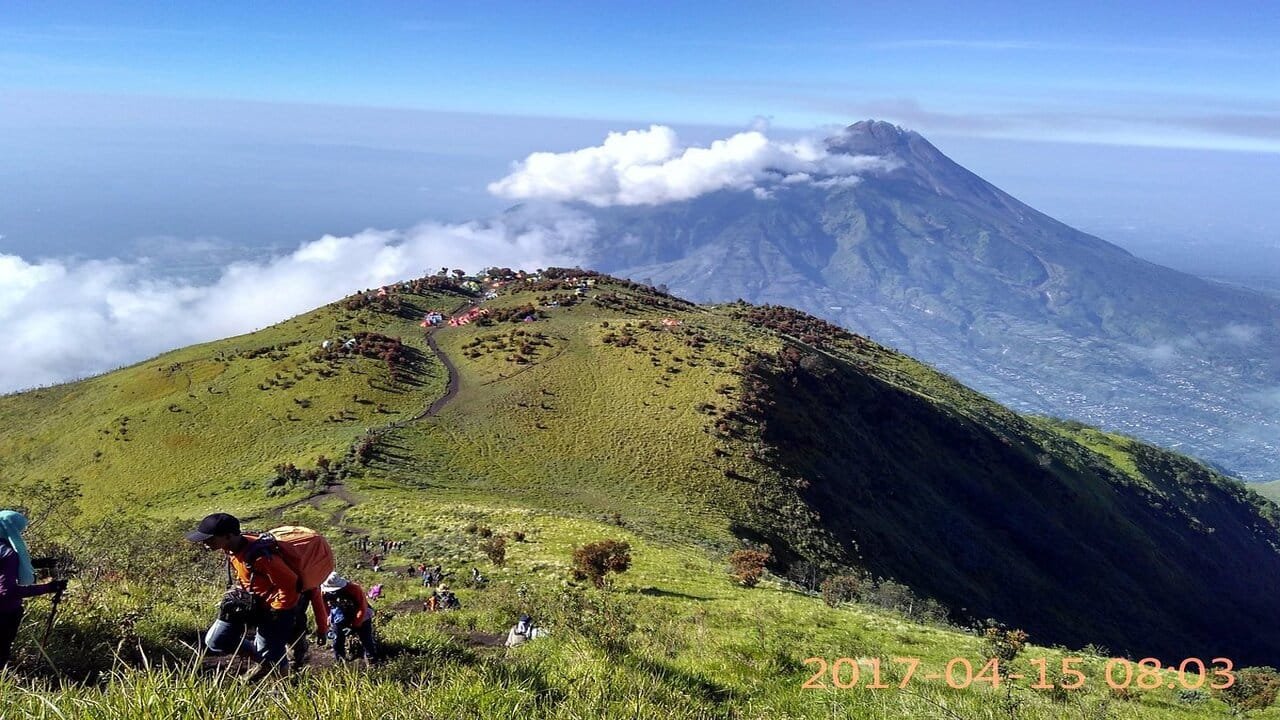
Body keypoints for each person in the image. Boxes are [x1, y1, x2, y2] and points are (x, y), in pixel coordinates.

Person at [186, 513, 315, 681]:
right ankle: (265, 661)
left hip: (275, 610)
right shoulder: (231, 548)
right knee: (216, 641)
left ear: (228, 536)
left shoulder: (262, 557)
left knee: (272, 653)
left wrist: (276, 610)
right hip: (249, 604)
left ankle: (283, 689)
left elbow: (290, 585)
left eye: (209, 539)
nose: (204, 543)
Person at [0, 511, 66, 668]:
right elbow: (7, 593)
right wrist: (49, 587)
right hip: (4, 613)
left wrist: (38, 563)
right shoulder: (9, 554)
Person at [319, 572, 377, 663]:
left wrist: (354, 625)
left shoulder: (354, 589)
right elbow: (324, 606)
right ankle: (341, 662)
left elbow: (362, 607)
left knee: (366, 639)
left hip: (361, 616)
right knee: (337, 640)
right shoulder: (324, 591)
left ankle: (371, 661)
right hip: (339, 616)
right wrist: (328, 616)